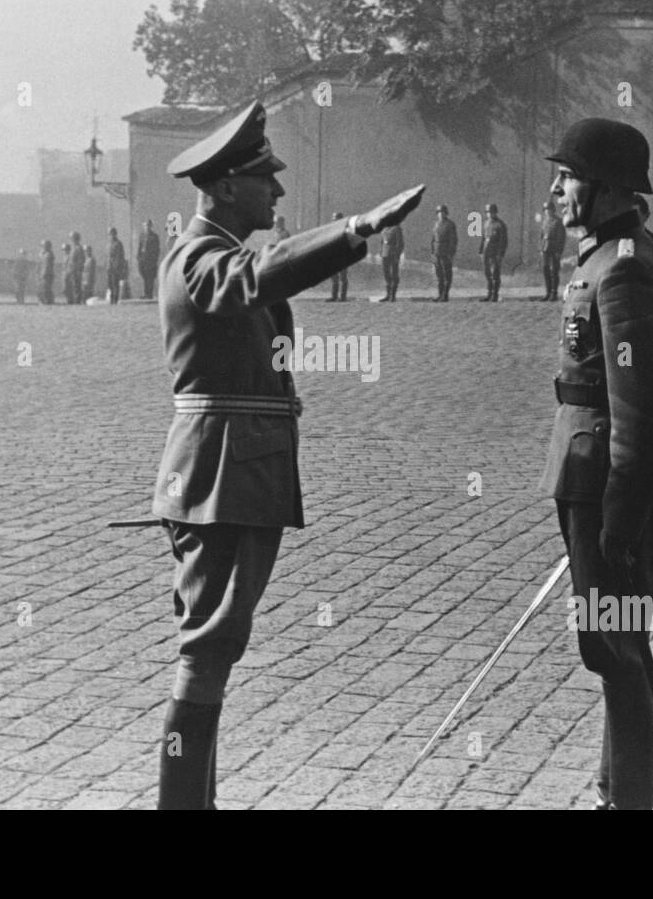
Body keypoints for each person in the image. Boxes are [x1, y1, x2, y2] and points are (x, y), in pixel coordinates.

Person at [152, 101, 423, 809]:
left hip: (238, 470)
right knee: (207, 649)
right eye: (264, 179)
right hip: (220, 475)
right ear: (226, 187)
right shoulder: (199, 258)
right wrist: (356, 228)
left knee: (217, 647)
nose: (276, 192)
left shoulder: (216, 253)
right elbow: (256, 276)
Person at [542, 118, 653, 811]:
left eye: (567, 178)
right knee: (609, 645)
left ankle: (625, 803)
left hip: (605, 483)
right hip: (585, 474)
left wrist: (621, 514)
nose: (557, 190)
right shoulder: (605, 253)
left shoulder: (621, 266)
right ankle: (614, 795)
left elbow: (643, 405)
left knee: (618, 650)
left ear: (606, 188)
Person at [479, 202, 507, 301]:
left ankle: (495, 295)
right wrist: (481, 251)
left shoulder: (500, 224)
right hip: (487, 250)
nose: (490, 214)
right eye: (488, 212)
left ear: (495, 212)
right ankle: (489, 293)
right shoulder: (487, 223)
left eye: (492, 212)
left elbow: (503, 241)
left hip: (495, 251)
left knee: (495, 273)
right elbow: (484, 238)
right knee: (487, 273)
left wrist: (500, 254)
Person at [540, 200, 567, 301]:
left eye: (549, 209)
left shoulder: (558, 222)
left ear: (553, 210)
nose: (547, 211)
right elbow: (541, 236)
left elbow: (561, 238)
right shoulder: (545, 221)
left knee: (554, 271)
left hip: (554, 249)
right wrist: (541, 248)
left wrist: (558, 252)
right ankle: (547, 292)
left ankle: (554, 293)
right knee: (545, 269)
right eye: (546, 210)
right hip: (545, 248)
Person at [431, 204, 457, 301]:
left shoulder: (450, 224)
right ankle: (440, 294)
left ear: (446, 213)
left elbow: (453, 240)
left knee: (447, 274)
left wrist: (451, 253)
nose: (440, 214)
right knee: (439, 275)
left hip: (445, 252)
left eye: (442, 212)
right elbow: (433, 239)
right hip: (437, 251)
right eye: (439, 212)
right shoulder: (436, 224)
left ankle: (445, 295)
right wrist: (432, 252)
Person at [379, 221, 404, 302]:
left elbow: (400, 243)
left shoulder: (397, 229)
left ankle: (393, 296)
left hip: (393, 254)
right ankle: (388, 294)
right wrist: (381, 252)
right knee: (386, 274)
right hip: (385, 254)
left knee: (394, 274)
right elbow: (382, 242)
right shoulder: (384, 229)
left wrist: (397, 255)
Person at [328, 212, 350, 301]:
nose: (334, 221)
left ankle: (343, 296)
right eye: (333, 219)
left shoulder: (346, 230)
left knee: (343, 277)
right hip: (333, 255)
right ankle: (334, 296)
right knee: (334, 277)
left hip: (343, 255)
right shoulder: (331, 230)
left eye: (336, 219)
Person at [138, 219, 161, 298]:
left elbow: (157, 249)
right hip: (143, 260)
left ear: (150, 226)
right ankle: (145, 293)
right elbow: (140, 247)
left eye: (148, 225)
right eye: (145, 226)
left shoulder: (154, 237)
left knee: (150, 278)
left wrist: (154, 260)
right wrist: (138, 257)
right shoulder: (142, 236)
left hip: (150, 261)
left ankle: (149, 294)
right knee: (144, 277)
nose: (146, 227)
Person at [107, 228, 127, 303]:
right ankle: (111, 298)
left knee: (115, 284)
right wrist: (108, 266)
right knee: (110, 284)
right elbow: (108, 257)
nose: (111, 236)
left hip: (116, 267)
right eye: (110, 234)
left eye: (112, 234)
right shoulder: (109, 244)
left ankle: (115, 299)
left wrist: (117, 266)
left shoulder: (118, 244)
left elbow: (119, 256)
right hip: (110, 267)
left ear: (115, 234)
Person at [69, 231, 85, 304]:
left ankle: (77, 301)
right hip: (73, 270)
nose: (71, 240)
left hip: (77, 271)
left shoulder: (79, 248)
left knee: (77, 287)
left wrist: (78, 270)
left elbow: (81, 260)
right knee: (74, 287)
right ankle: (75, 301)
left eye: (72, 238)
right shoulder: (73, 248)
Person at [39, 239, 55, 304]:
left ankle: (48, 301)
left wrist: (43, 274)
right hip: (45, 273)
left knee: (46, 288)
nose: (42, 248)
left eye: (43, 246)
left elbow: (47, 265)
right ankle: (46, 300)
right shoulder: (46, 254)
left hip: (47, 274)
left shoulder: (49, 254)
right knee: (44, 287)